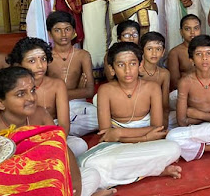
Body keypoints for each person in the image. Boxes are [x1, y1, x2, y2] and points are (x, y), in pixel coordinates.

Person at [0, 66, 115, 196]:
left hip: (45, 176)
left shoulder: (40, 113)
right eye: (20, 94)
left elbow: (61, 146)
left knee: (91, 174)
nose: (31, 98)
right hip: (17, 190)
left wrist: (75, 182)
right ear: (0, 103)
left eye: (32, 90)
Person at [78, 42, 182, 188]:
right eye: (121, 65)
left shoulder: (152, 88)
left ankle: (132, 172)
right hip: (117, 146)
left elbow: (157, 128)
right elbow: (106, 135)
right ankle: (153, 170)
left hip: (146, 144)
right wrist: (144, 136)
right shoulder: (105, 90)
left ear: (140, 65)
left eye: (132, 64)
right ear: (112, 69)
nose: (128, 70)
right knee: (91, 164)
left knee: (173, 148)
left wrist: (120, 133)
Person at [6, 37, 88, 155]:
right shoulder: (13, 87)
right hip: (24, 136)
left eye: (43, 59)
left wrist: (53, 143)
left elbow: (64, 125)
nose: (40, 66)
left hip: (52, 133)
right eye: (32, 61)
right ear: (19, 64)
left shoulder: (57, 85)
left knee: (80, 145)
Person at [46, 11, 98, 136]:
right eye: (57, 30)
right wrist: (78, 90)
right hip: (53, 106)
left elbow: (90, 91)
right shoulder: (45, 57)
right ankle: (64, 130)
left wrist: (57, 95)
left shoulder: (83, 55)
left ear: (74, 31)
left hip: (78, 104)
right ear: (50, 33)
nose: (63, 34)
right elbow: (43, 91)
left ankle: (60, 131)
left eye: (67, 29)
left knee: (100, 117)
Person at [139, 32, 172, 127]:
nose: (154, 53)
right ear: (142, 51)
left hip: (156, 112)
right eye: (149, 49)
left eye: (158, 49)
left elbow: (165, 105)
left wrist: (163, 126)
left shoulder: (164, 74)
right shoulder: (136, 71)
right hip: (136, 114)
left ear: (163, 52)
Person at [166, 14, 201, 92]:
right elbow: (174, 82)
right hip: (185, 91)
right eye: (187, 29)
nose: (192, 32)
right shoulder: (175, 52)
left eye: (196, 28)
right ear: (181, 32)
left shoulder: (208, 50)